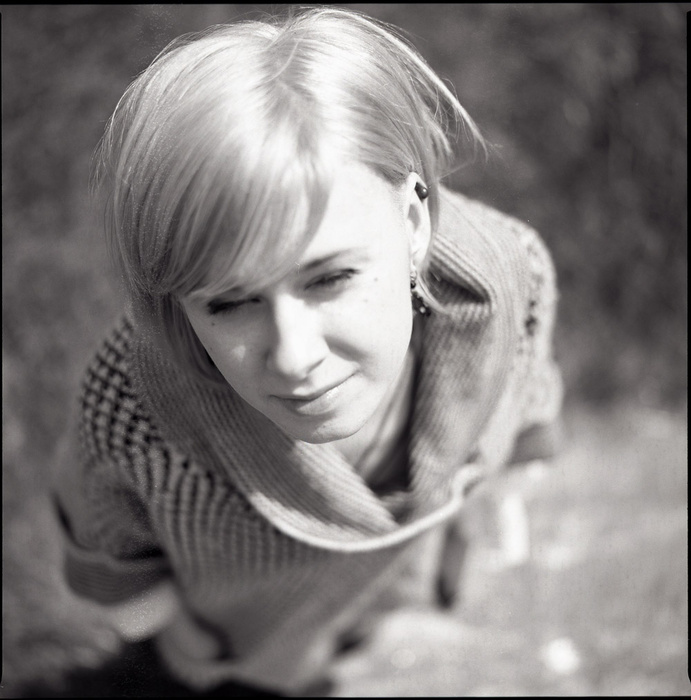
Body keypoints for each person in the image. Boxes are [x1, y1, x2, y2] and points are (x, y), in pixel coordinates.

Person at [52, 6, 562, 696]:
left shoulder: (511, 273)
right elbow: (107, 545)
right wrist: (178, 636)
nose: (294, 358)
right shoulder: (135, 409)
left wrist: (514, 472)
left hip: (399, 577)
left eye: (329, 279)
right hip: (256, 644)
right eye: (230, 302)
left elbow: (526, 383)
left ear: (413, 222)